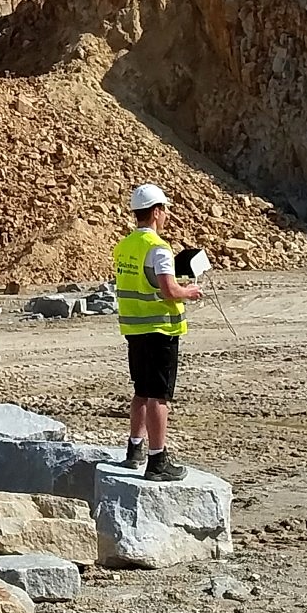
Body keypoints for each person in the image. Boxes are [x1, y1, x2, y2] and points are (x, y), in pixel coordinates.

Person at [112, 183, 198, 481]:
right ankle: (157, 461)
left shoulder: (124, 246)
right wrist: (190, 291)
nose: (166, 217)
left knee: (141, 390)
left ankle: (134, 449)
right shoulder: (158, 247)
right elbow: (169, 289)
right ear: (157, 211)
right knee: (158, 398)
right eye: (165, 211)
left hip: (134, 330)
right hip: (159, 330)